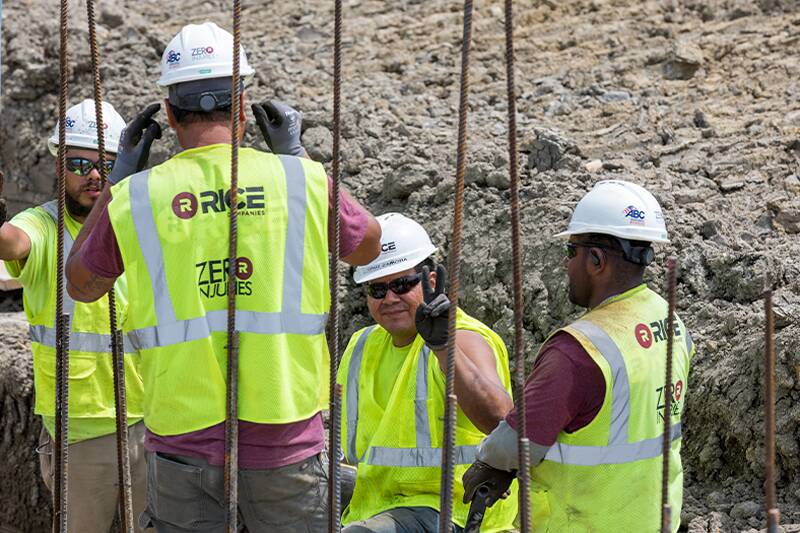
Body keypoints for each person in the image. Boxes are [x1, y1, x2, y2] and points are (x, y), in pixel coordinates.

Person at [64, 22, 381, 532]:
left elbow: (81, 284)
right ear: (243, 105)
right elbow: (368, 248)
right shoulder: (299, 180)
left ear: (168, 114)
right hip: (285, 434)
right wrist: (297, 159)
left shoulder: (137, 197)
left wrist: (118, 180)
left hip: (181, 437)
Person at [462, 180, 695, 532]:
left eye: (571, 252)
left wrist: (487, 464)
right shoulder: (670, 320)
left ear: (596, 259)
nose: (566, 265)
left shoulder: (579, 351)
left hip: (583, 522)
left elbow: (517, 441)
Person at [0, 99, 147, 532]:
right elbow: (12, 243)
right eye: (80, 162)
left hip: (154, 419)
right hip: (80, 431)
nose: (94, 174)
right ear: (59, 165)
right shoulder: (44, 225)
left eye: (107, 163)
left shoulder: (141, 222)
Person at [337, 213, 518, 533]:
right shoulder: (361, 346)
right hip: (378, 504)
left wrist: (444, 347)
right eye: (377, 290)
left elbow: (501, 420)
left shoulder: (463, 337)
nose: (389, 298)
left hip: (451, 512)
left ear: (431, 282)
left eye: (402, 284)